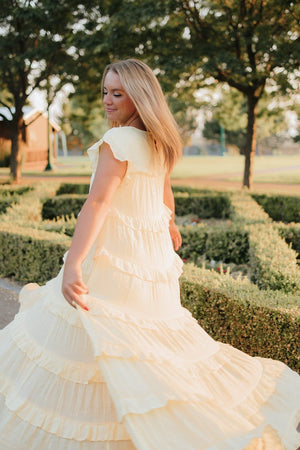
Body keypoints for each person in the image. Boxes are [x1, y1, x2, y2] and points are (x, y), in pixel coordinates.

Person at [0, 59, 299, 450]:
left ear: (139, 97)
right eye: (105, 92)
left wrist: (73, 262)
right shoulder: (158, 142)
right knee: (141, 350)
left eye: (117, 94)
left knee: (97, 344)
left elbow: (98, 204)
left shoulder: (118, 142)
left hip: (114, 263)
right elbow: (163, 192)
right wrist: (170, 224)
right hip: (146, 263)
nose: (108, 100)